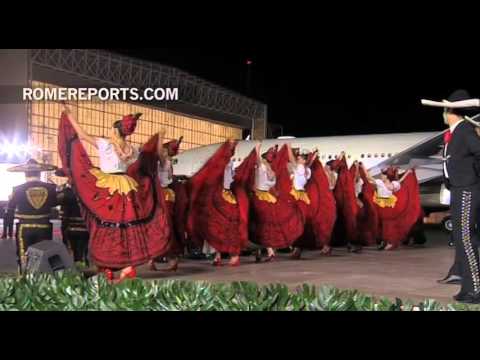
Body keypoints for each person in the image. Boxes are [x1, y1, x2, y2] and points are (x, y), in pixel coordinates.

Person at [58, 103, 173, 283]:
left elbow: (80, 134)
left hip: (108, 186)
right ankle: (125, 268)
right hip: (128, 187)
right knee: (128, 230)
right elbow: (154, 157)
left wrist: (69, 114)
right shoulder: (132, 149)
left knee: (105, 228)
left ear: (115, 129)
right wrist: (159, 139)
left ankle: (109, 267)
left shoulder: (105, 144)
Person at [423, 90, 480, 303]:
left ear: (451, 111)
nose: (444, 113)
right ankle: (468, 287)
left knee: (466, 239)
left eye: (445, 109)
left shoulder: (465, 131)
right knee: (460, 239)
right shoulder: (455, 133)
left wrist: (473, 178)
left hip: (467, 189)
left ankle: (476, 288)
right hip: (458, 190)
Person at [187, 140, 248, 267]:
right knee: (215, 226)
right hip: (218, 196)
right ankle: (218, 255)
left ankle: (233, 255)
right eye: (230, 148)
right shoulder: (219, 163)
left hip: (227, 196)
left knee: (229, 226)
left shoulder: (230, 163)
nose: (232, 151)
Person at [6, 159, 58, 274]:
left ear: (25, 173)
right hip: (45, 226)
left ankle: (25, 281)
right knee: (44, 254)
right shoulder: (51, 188)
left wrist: (8, 231)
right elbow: (55, 204)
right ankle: (43, 283)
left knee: (24, 255)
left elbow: (10, 210)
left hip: (25, 227)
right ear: (39, 173)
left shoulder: (17, 189)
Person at [149, 137, 184, 272]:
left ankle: (170, 257)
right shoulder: (159, 162)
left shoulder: (166, 161)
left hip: (164, 196)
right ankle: (153, 258)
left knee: (164, 226)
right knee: (156, 226)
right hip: (159, 195)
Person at [362, 165, 413, 251]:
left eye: (383, 175)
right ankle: (386, 241)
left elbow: (400, 181)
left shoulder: (386, 183)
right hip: (383, 204)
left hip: (388, 205)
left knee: (389, 224)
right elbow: (369, 177)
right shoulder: (383, 182)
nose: (381, 176)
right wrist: (363, 167)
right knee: (385, 224)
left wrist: (407, 173)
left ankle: (390, 242)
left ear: (387, 176)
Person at [56, 170, 90, 268]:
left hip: (71, 228)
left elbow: (61, 210)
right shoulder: (87, 191)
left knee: (76, 253)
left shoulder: (66, 193)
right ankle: (84, 272)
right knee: (83, 252)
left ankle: (80, 273)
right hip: (85, 227)